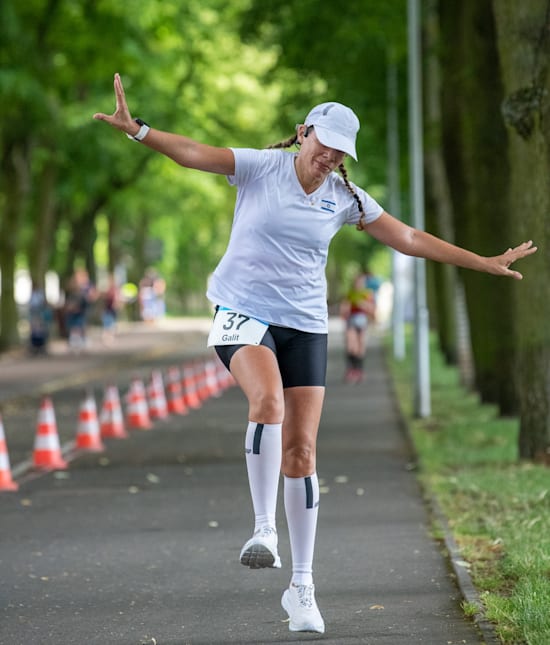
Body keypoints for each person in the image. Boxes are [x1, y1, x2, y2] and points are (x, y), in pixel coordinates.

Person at [94, 73, 537, 634]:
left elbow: (409, 239)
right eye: (323, 144)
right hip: (241, 311)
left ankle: (301, 588)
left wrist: (484, 261)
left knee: (301, 453)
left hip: (305, 324)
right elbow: (195, 154)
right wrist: (139, 131)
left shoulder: (346, 199)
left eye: (340, 152)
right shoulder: (260, 168)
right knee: (268, 403)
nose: (329, 157)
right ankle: (263, 529)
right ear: (303, 133)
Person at [340, 272, 377, 383]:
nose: (358, 284)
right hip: (351, 321)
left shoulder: (368, 294)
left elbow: (373, 311)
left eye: (361, 282)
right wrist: (345, 309)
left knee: (361, 346)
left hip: (363, 322)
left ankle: (359, 370)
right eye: (357, 282)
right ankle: (351, 369)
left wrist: (364, 305)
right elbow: (343, 310)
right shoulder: (350, 294)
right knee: (351, 346)